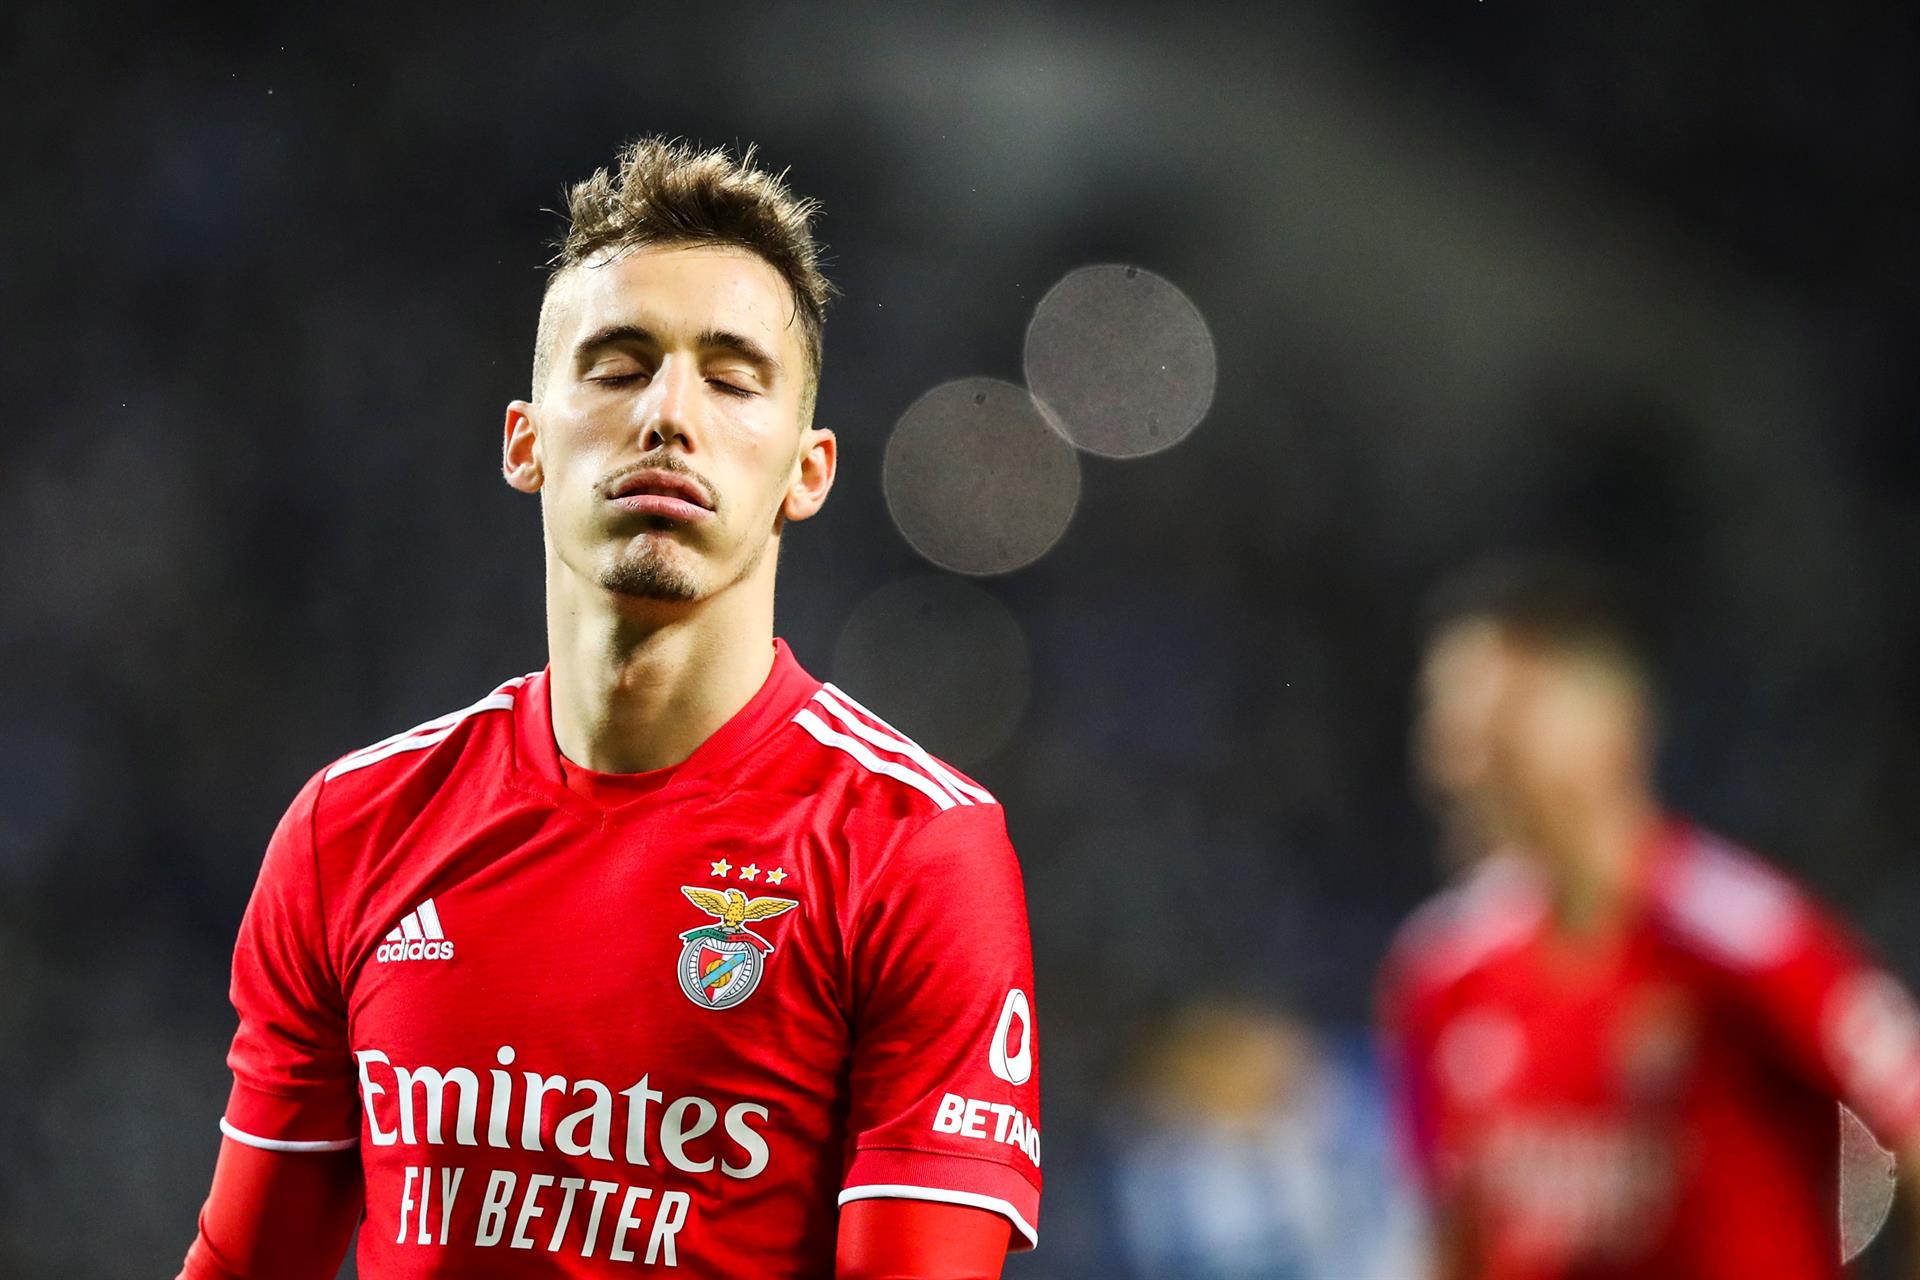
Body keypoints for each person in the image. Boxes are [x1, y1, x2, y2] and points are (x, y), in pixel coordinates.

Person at [178, 136, 1041, 1279]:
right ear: (525, 442)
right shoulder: (353, 828)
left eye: (732, 378)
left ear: (808, 469)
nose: (669, 414)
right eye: (620, 366)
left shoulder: (912, 847)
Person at [1379, 557, 1920, 1279]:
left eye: (1496, 727)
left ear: (1611, 724)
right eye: (1446, 731)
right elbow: (1450, 1241)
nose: (1457, 766)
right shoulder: (1438, 974)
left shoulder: (1748, 940)